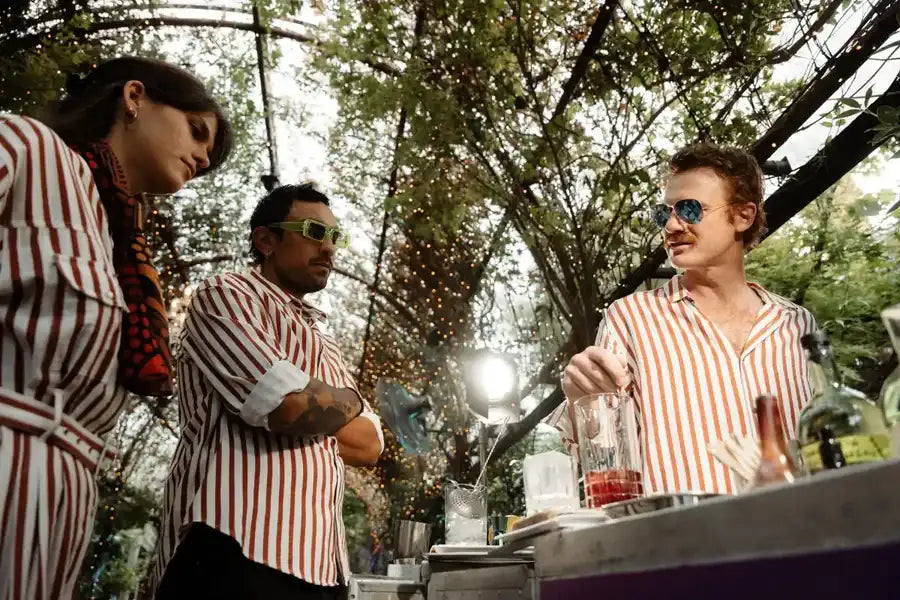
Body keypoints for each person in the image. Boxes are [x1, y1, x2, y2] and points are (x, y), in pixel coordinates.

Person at [0, 57, 232, 600]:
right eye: (198, 132)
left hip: (67, 496)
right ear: (134, 97)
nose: (201, 156)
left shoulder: (123, 246)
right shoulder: (27, 147)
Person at [152, 184, 384, 600]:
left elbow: (370, 445)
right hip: (232, 548)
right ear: (266, 240)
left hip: (322, 568)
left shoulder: (325, 341)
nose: (329, 248)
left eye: (335, 237)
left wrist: (319, 405)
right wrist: (349, 402)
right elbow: (287, 406)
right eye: (314, 231)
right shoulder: (226, 295)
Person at [548, 143, 818, 495]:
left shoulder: (797, 324)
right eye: (665, 215)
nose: (672, 226)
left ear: (743, 216)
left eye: (690, 210)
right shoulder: (631, 318)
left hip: (799, 538)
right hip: (682, 544)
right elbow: (602, 454)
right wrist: (581, 401)